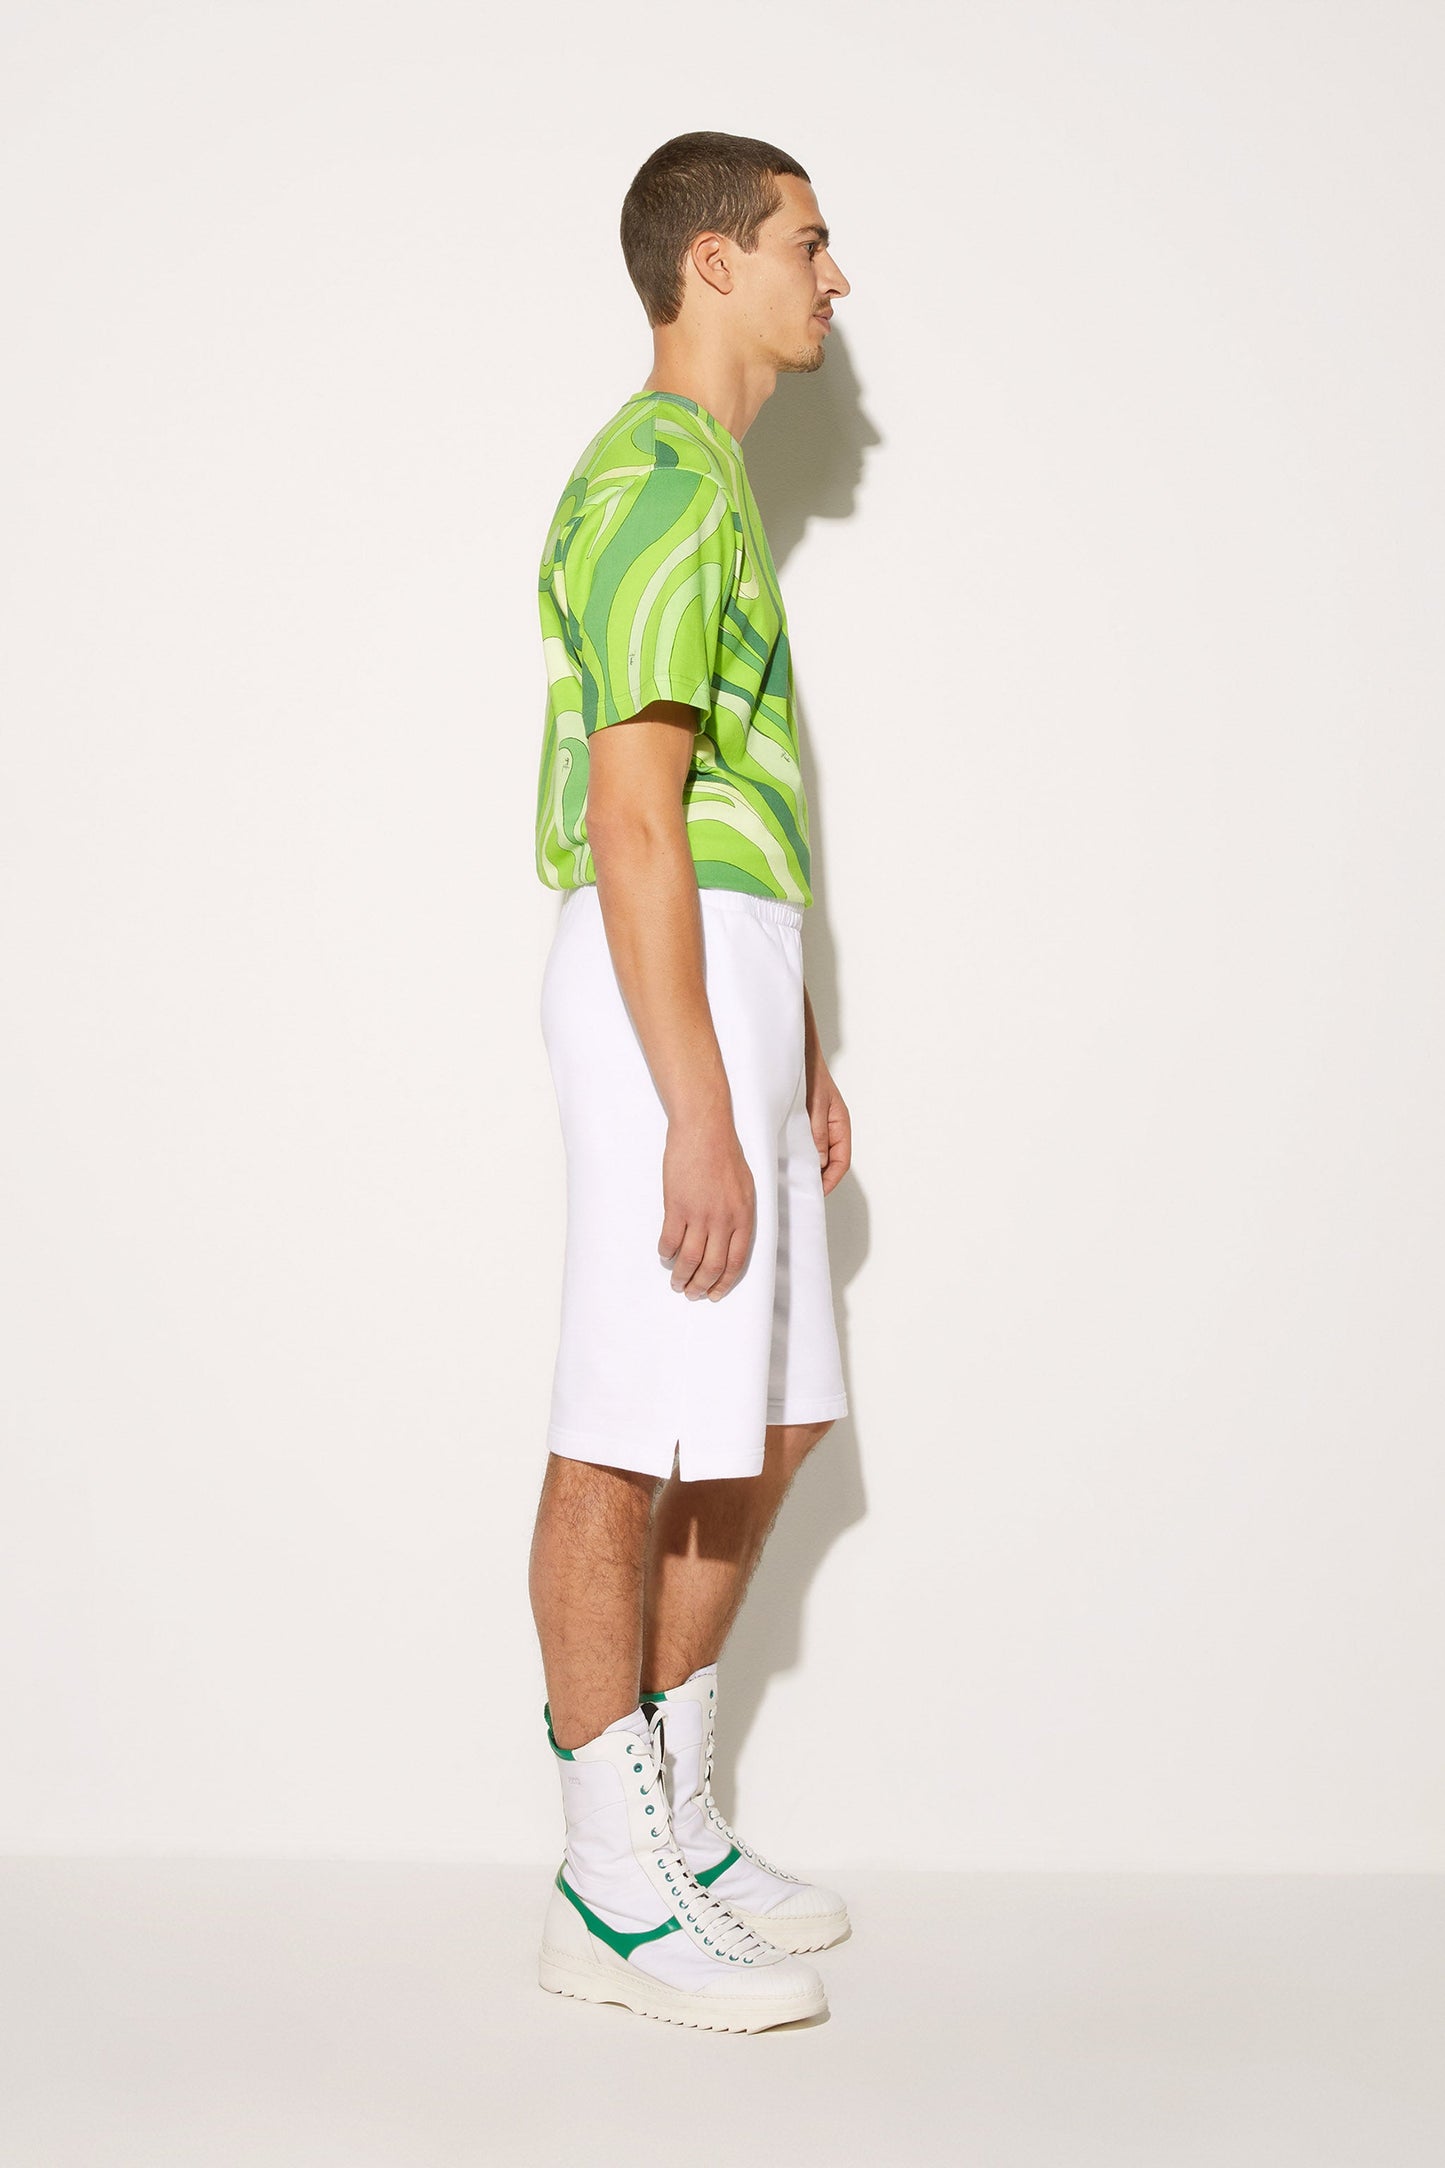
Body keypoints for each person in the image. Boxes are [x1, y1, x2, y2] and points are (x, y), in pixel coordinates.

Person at [528, 131, 853, 2034]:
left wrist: (796, 1049)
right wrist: (700, 1103)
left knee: (771, 1419)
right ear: (713, 262)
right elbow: (634, 818)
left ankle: (674, 1822)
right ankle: (605, 1884)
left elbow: (725, 817)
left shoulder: (710, 486)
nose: (836, 277)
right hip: (663, 990)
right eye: (809, 241)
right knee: (622, 1425)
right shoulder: (652, 479)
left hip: (732, 979)